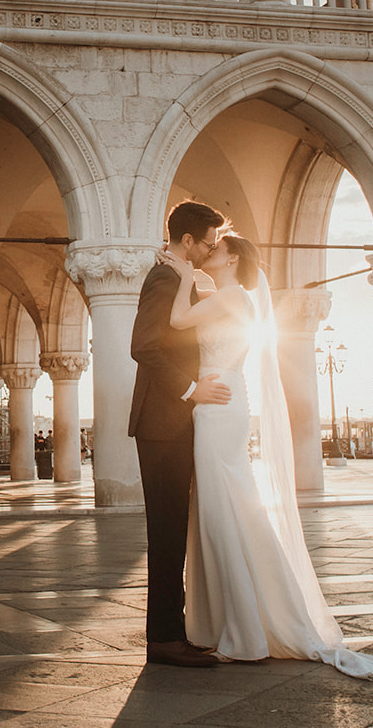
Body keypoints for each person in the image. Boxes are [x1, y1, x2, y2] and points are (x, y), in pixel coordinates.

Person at [162, 232, 373, 681]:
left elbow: (179, 319)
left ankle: (242, 629)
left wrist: (181, 272)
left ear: (232, 258)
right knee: (225, 508)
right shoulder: (225, 295)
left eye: (215, 248)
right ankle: (235, 621)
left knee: (222, 511)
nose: (207, 251)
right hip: (219, 400)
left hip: (217, 404)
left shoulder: (232, 295)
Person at [129, 200, 232, 668]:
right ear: (187, 240)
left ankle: (174, 630)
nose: (212, 249)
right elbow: (143, 346)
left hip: (172, 423)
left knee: (174, 531)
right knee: (167, 531)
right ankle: (165, 639)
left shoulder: (179, 276)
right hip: (161, 423)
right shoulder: (164, 277)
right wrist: (192, 389)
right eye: (208, 242)